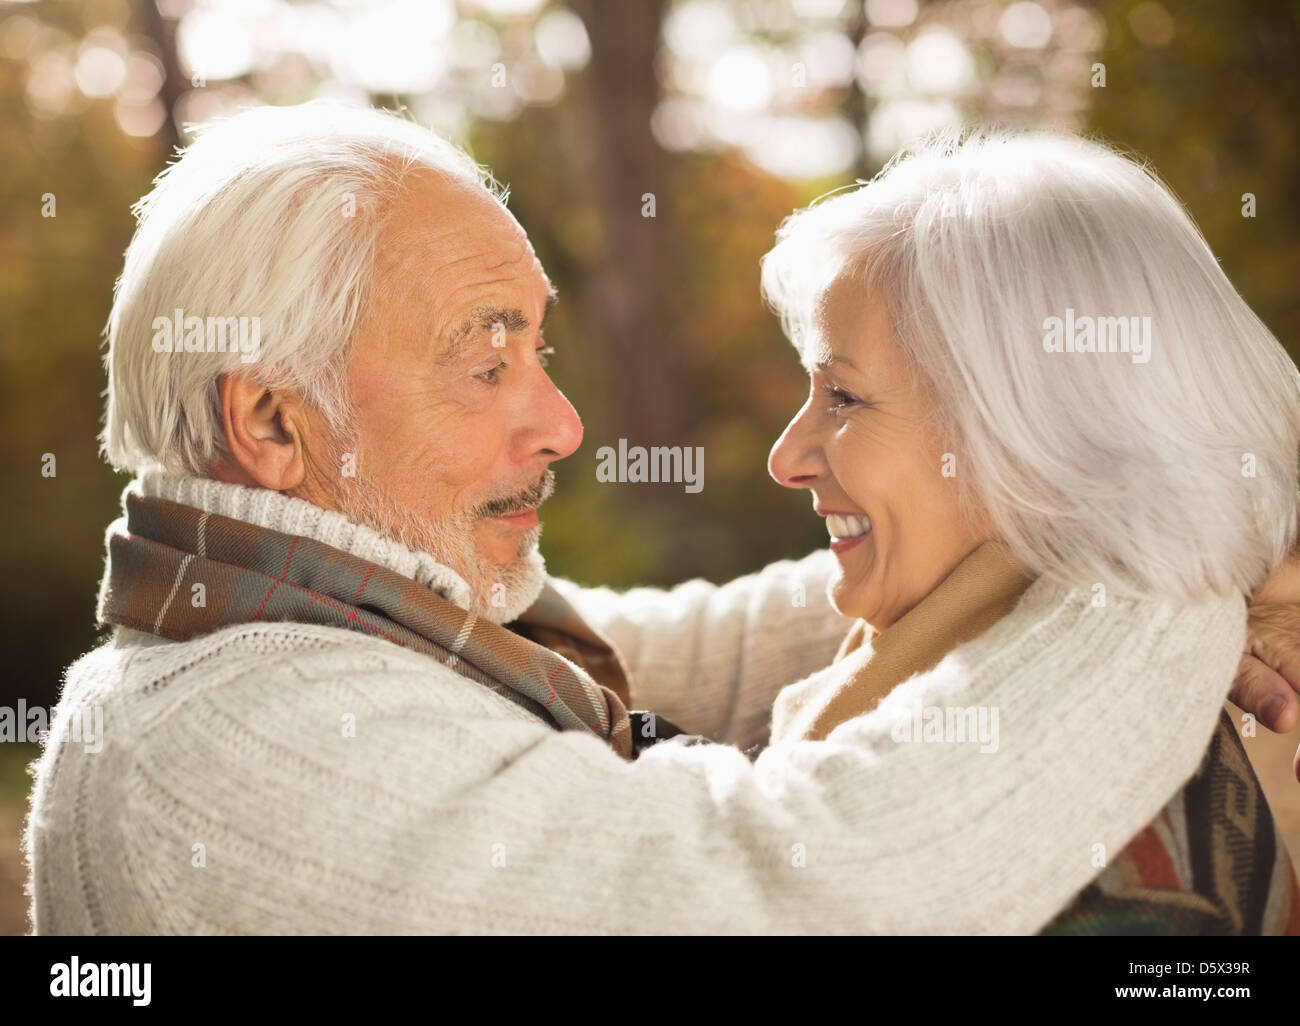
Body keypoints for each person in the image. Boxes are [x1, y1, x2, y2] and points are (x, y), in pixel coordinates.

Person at [22, 103, 1300, 934]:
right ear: (275, 426)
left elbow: (706, 650)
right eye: (487, 362)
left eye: (543, 350)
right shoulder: (239, 750)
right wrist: (1160, 570)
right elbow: (783, 892)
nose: (562, 423)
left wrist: (1069, 543)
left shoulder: (311, 629)